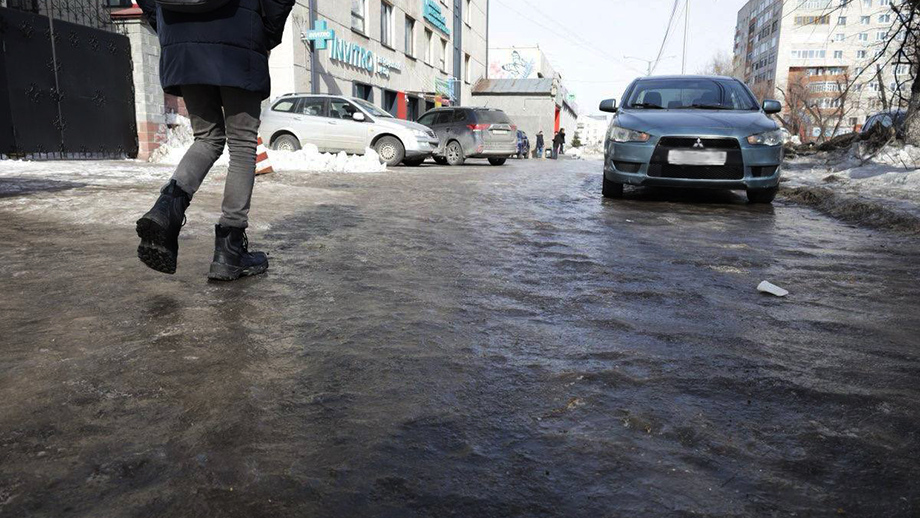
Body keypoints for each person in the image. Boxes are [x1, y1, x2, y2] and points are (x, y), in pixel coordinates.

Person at [135, 0, 294, 281]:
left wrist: (167, 26)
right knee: (242, 143)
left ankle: (166, 209)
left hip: (180, 35)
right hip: (239, 30)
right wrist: (267, 30)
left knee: (207, 137)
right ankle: (229, 252)